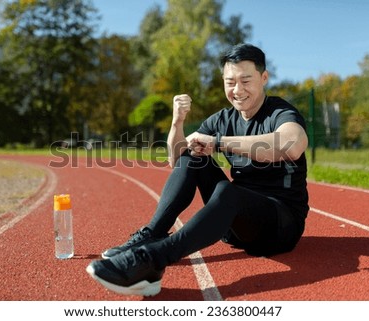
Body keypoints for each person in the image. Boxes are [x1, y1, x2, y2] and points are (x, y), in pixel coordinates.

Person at [86, 43, 309, 296]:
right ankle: (152, 235)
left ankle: (152, 259)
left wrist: (219, 143)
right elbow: (177, 161)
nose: (237, 90)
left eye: (246, 80)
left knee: (227, 192)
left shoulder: (280, 112)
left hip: (280, 225)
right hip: (236, 224)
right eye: (230, 82)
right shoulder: (223, 119)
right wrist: (177, 123)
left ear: (264, 78)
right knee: (192, 157)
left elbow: (292, 145)